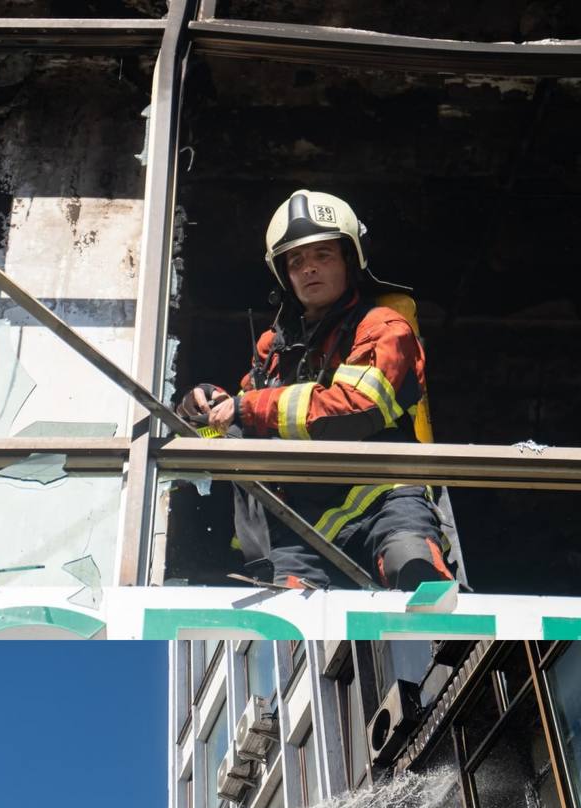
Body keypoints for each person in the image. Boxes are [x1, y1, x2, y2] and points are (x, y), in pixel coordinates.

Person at [178, 189, 455, 591]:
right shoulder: (272, 350)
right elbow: (238, 421)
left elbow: (358, 409)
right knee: (287, 613)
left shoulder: (383, 327)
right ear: (285, 276)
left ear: (349, 260)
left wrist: (246, 407)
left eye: (322, 255)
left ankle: (444, 636)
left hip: (384, 499)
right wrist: (201, 409)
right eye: (296, 261)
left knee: (411, 568)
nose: (309, 269)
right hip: (303, 524)